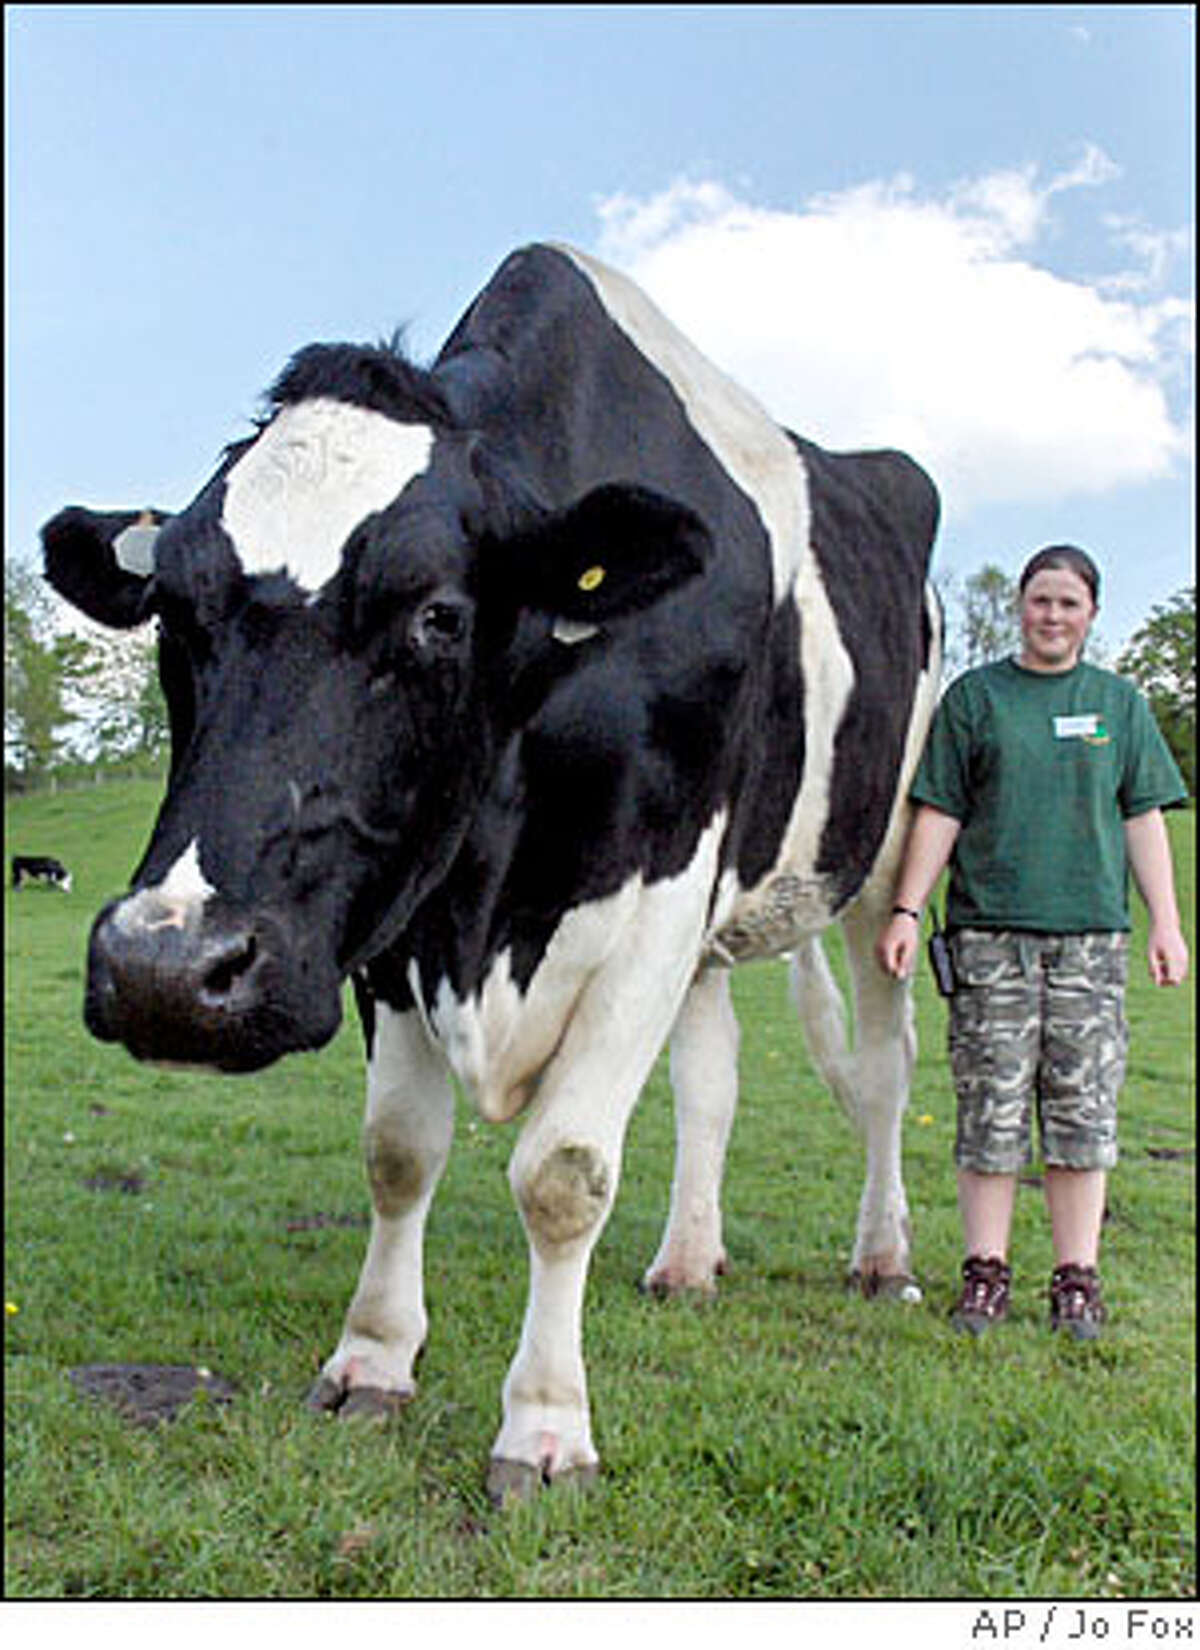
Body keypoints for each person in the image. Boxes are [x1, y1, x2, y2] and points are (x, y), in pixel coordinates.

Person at [877, 545, 1189, 1339]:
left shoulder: (1118, 706)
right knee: (991, 1114)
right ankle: (986, 1275)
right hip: (990, 944)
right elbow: (938, 812)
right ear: (1022, 607)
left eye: (1068, 603)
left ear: (1092, 614)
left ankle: (1075, 1279)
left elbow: (1142, 818)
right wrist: (908, 910)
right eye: (1040, 600)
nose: (1052, 616)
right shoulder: (976, 700)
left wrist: (1168, 923)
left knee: (1082, 1117)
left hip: (1089, 946)